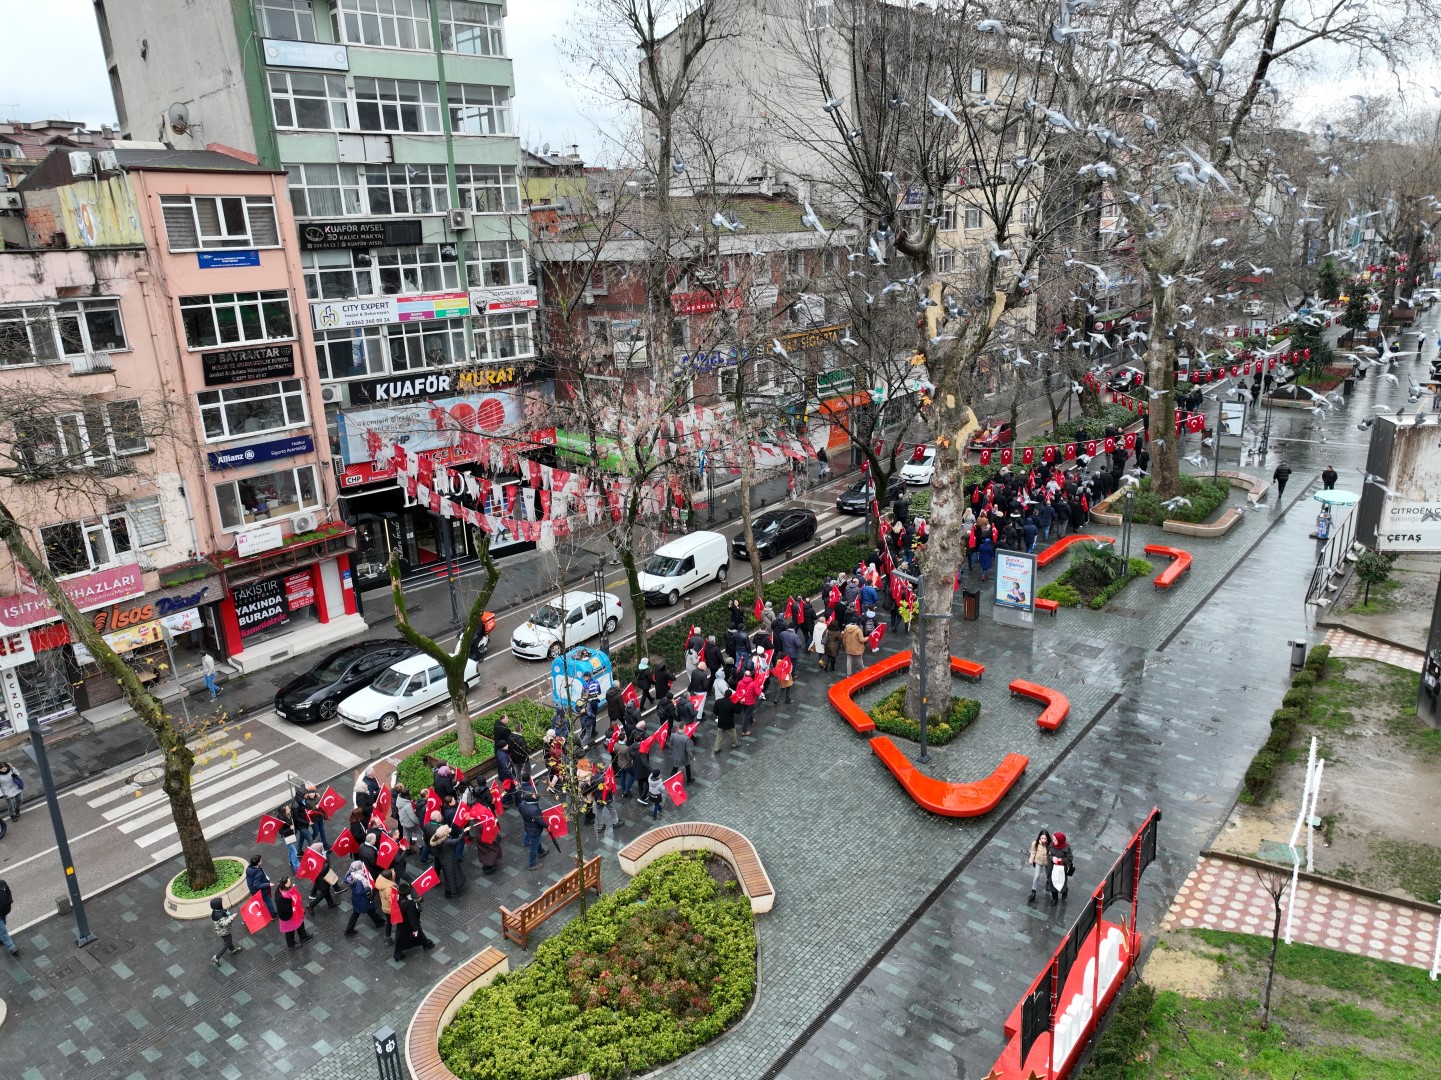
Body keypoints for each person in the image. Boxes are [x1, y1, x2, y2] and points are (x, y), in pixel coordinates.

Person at [391, 879, 435, 962]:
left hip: (401, 923)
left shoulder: (398, 898)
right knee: (420, 934)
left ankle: (398, 954)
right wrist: (415, 929)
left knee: (399, 938)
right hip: (410, 923)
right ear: (408, 893)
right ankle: (426, 944)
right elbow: (412, 918)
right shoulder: (409, 904)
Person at [342, 860, 385, 936]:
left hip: (356, 899)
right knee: (369, 910)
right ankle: (379, 922)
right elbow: (359, 891)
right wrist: (368, 888)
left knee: (358, 913)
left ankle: (349, 930)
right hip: (362, 900)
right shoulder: (358, 880)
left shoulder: (351, 875)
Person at [274, 877, 312, 947]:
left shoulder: (281, 888)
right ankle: (291, 944)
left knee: (300, 922)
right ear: (285, 884)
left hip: (293, 912)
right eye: (289, 882)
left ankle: (303, 936)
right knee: (289, 930)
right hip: (288, 915)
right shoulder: (283, 896)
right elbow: (286, 907)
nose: (290, 882)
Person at [209, 897, 242, 967]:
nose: (223, 903)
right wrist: (232, 916)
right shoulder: (219, 915)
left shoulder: (216, 912)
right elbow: (224, 923)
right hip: (224, 931)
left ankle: (232, 950)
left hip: (221, 931)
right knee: (227, 943)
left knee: (229, 940)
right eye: (221, 903)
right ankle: (216, 957)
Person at [1046, 832, 1075, 905]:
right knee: (1052, 882)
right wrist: (1052, 858)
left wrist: (1060, 860)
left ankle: (1065, 891)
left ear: (1060, 840)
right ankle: (1054, 898)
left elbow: (1069, 858)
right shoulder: (1051, 845)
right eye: (1053, 839)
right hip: (1052, 868)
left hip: (1061, 869)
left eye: (1055, 840)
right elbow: (1048, 854)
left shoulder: (1066, 848)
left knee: (1062, 882)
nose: (1053, 841)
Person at [1027, 830, 1053, 904]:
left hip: (1048, 862)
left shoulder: (1050, 844)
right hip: (1038, 861)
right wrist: (1031, 860)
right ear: (1039, 837)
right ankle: (1033, 892)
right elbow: (1033, 852)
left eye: (1045, 838)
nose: (1043, 840)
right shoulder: (1035, 843)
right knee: (1036, 877)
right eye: (1042, 838)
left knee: (1049, 875)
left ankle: (1048, 882)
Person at [374, 868, 398, 944]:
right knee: (398, 921)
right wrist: (399, 896)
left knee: (389, 922)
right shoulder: (389, 888)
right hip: (391, 908)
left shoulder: (382, 884)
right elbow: (392, 900)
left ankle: (388, 937)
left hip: (385, 907)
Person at [0, 878, 18, 958]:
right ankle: (11, 947)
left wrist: (10, 900)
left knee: (3, 924)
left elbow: (8, 891)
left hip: (4, 910)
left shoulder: (2, 883)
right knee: (3, 930)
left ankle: (1, 938)